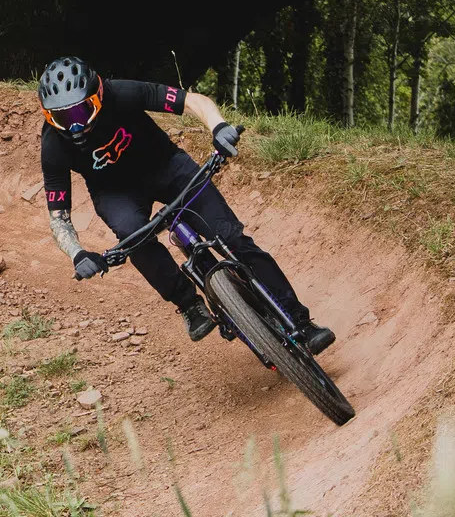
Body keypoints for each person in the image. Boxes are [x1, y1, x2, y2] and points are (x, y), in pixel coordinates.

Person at [38, 56, 336, 354]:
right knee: (133, 236)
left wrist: (218, 126)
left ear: (98, 95)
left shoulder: (123, 92)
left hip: (166, 167)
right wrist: (77, 254)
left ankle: (301, 323)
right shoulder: (53, 144)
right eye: (62, 118)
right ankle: (189, 303)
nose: (74, 126)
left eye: (81, 111)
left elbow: (192, 101)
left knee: (232, 238)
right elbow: (59, 217)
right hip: (115, 192)